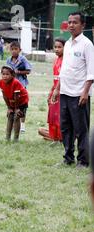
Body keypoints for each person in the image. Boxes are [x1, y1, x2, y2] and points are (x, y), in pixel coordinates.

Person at [54, 12, 94, 168]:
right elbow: (64, 69)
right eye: (69, 22)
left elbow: (91, 71)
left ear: (82, 25)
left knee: (81, 129)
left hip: (79, 94)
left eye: (75, 22)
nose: (71, 25)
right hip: (65, 92)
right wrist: (57, 88)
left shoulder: (87, 44)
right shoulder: (68, 44)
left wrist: (85, 92)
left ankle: (83, 161)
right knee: (66, 128)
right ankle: (68, 158)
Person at [38, 38, 65, 142]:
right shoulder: (56, 60)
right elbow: (55, 78)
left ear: (65, 48)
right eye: (55, 47)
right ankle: (54, 137)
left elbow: (63, 78)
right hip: (55, 90)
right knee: (52, 116)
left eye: (59, 47)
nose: (57, 49)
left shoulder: (65, 61)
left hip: (62, 91)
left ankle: (60, 138)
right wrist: (51, 91)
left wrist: (57, 90)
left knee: (59, 116)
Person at [6, 41, 32, 133]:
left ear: (19, 50)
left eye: (16, 49)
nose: (14, 51)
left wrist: (19, 72)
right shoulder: (8, 60)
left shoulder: (23, 59)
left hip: (21, 86)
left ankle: (22, 125)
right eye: (12, 49)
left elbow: (28, 70)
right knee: (12, 105)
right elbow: (6, 71)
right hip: (11, 86)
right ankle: (12, 124)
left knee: (22, 105)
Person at [0, 66, 29, 141]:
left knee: (16, 117)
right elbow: (5, 95)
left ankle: (16, 139)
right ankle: (7, 138)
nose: (5, 76)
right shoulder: (1, 82)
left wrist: (17, 109)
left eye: (7, 74)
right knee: (10, 116)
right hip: (12, 101)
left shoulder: (15, 82)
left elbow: (17, 97)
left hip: (21, 101)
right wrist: (9, 108)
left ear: (12, 75)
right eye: (3, 74)